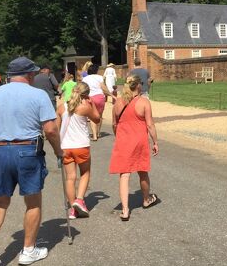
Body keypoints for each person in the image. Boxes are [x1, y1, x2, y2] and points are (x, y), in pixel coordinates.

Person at [0, 56, 62, 266]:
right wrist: (58, 151)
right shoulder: (39, 95)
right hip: (27, 149)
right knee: (32, 201)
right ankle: (28, 250)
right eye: (33, 73)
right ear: (29, 74)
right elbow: (51, 129)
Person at [109, 74, 159, 221]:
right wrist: (155, 141)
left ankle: (125, 210)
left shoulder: (118, 102)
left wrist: (118, 136)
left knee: (124, 174)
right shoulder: (144, 102)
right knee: (142, 171)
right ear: (138, 86)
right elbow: (150, 124)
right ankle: (146, 199)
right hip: (139, 140)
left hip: (123, 140)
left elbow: (114, 123)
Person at [56, 82, 100, 219]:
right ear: (86, 95)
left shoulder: (61, 108)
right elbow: (97, 119)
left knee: (70, 177)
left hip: (66, 146)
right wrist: (92, 104)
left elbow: (56, 129)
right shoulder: (85, 107)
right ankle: (79, 200)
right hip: (81, 145)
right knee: (85, 173)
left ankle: (72, 208)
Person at [82, 64, 111, 141]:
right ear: (96, 70)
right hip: (100, 97)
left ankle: (94, 135)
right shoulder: (100, 77)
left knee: (92, 117)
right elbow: (103, 88)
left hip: (90, 98)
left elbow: (83, 89)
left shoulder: (85, 79)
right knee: (100, 116)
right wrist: (110, 94)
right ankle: (98, 132)